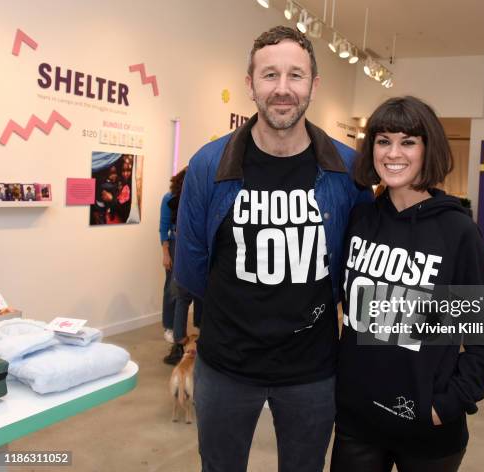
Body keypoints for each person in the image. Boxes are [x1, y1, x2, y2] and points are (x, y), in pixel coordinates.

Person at [174, 26, 371, 472]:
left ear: (314, 86)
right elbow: (191, 268)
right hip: (225, 367)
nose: (282, 89)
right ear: (250, 84)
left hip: (313, 372)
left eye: (296, 76)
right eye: (269, 75)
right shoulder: (209, 165)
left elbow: (356, 265)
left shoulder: (347, 170)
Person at [331, 96, 484, 472]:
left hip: (427, 430)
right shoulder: (360, 219)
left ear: (428, 150)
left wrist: (446, 405)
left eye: (408, 141)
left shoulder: (457, 230)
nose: (394, 153)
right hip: (357, 424)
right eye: (383, 140)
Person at [160, 167, 200, 365]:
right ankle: (176, 336)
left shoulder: (198, 197)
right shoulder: (170, 199)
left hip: (197, 246)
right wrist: (166, 253)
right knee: (177, 292)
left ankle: (193, 336)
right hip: (179, 246)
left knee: (194, 293)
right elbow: (163, 227)